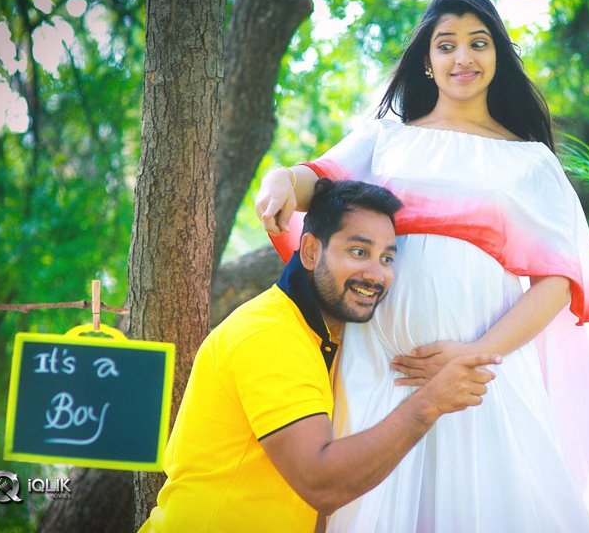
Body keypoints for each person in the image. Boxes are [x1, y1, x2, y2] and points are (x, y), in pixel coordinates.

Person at [256, 0, 589, 532]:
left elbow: (559, 282)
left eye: (478, 43)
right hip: (382, 369)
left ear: (497, 56)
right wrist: (280, 179)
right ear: (427, 61)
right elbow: (317, 181)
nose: (462, 57)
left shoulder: (530, 160)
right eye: (446, 45)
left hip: (483, 376)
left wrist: (473, 355)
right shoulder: (385, 139)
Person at [141, 179, 502, 532]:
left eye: (387, 258)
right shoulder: (269, 334)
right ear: (311, 251)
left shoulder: (333, 337)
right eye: (359, 252)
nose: (376, 274)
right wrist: (429, 403)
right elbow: (320, 484)